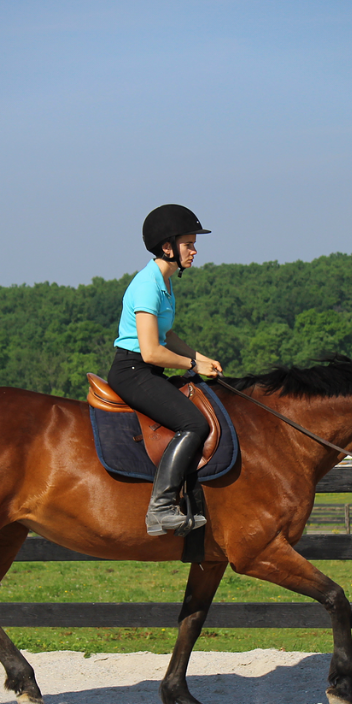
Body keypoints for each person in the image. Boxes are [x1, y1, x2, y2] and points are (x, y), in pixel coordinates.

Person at [107, 204, 223, 536]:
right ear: (167, 247)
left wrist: (200, 356)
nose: (195, 250)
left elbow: (166, 334)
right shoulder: (147, 284)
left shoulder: (165, 283)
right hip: (134, 370)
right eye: (189, 244)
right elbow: (151, 350)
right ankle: (160, 509)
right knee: (193, 423)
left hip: (147, 369)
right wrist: (191, 364)